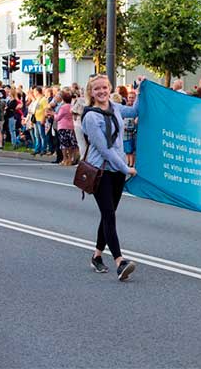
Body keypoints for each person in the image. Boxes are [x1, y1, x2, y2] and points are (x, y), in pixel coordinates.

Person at [82, 74, 140, 281]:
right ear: (91, 92)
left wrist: (141, 90)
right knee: (109, 215)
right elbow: (104, 149)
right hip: (100, 171)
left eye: (104, 88)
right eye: (97, 89)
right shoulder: (90, 117)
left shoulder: (115, 108)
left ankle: (97, 256)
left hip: (116, 172)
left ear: (110, 88)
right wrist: (127, 167)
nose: (101, 91)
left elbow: (134, 111)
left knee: (109, 213)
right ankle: (119, 262)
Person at [54, 90, 78, 165]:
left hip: (62, 126)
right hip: (71, 126)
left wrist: (53, 114)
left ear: (63, 99)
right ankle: (70, 159)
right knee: (70, 144)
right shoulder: (72, 106)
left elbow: (58, 118)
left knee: (64, 144)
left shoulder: (63, 107)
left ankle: (65, 159)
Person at [32, 86, 49, 155]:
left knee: (42, 135)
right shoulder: (37, 100)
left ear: (37, 92)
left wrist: (43, 118)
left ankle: (43, 149)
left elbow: (45, 109)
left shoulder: (43, 99)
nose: (33, 93)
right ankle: (37, 149)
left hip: (40, 119)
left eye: (34, 91)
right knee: (37, 135)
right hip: (36, 119)